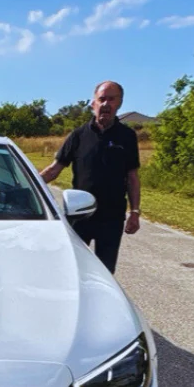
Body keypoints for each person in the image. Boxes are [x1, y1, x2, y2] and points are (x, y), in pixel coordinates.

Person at [39, 81, 141, 272]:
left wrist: (135, 212)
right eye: (101, 99)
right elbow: (54, 170)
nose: (105, 104)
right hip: (80, 216)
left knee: (105, 272)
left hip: (112, 218)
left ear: (119, 103)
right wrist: (27, 185)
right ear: (93, 103)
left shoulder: (127, 136)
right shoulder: (78, 136)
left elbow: (132, 177)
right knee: (72, 269)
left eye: (111, 99)